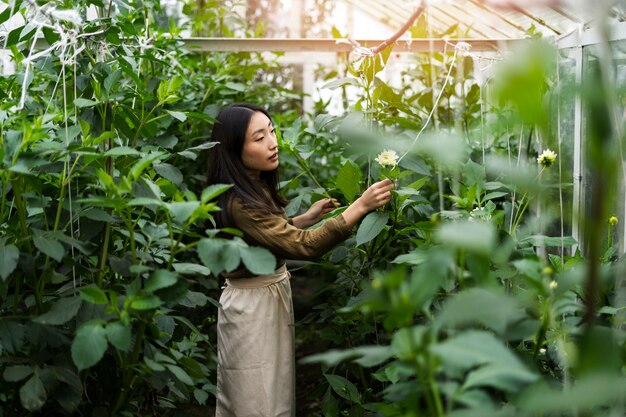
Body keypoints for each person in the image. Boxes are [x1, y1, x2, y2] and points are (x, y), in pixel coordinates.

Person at [206, 103, 394, 417]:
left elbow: (267, 234)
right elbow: (304, 248)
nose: (273, 142)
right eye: (259, 137)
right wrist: (359, 207)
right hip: (252, 307)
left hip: (264, 298)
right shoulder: (239, 201)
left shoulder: (251, 186)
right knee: (255, 394)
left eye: (272, 131)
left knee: (270, 387)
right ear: (233, 148)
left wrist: (302, 219)